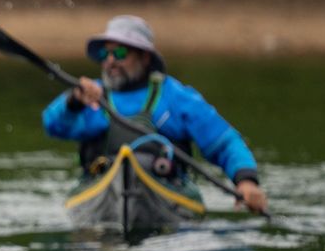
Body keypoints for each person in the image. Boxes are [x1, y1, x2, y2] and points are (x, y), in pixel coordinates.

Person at [42, 15, 269, 213]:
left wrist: (246, 181)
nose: (111, 60)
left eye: (120, 52)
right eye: (106, 53)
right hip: (97, 187)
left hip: (169, 189)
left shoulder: (178, 97)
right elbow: (52, 124)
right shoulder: (89, 96)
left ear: (145, 57)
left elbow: (224, 143)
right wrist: (73, 101)